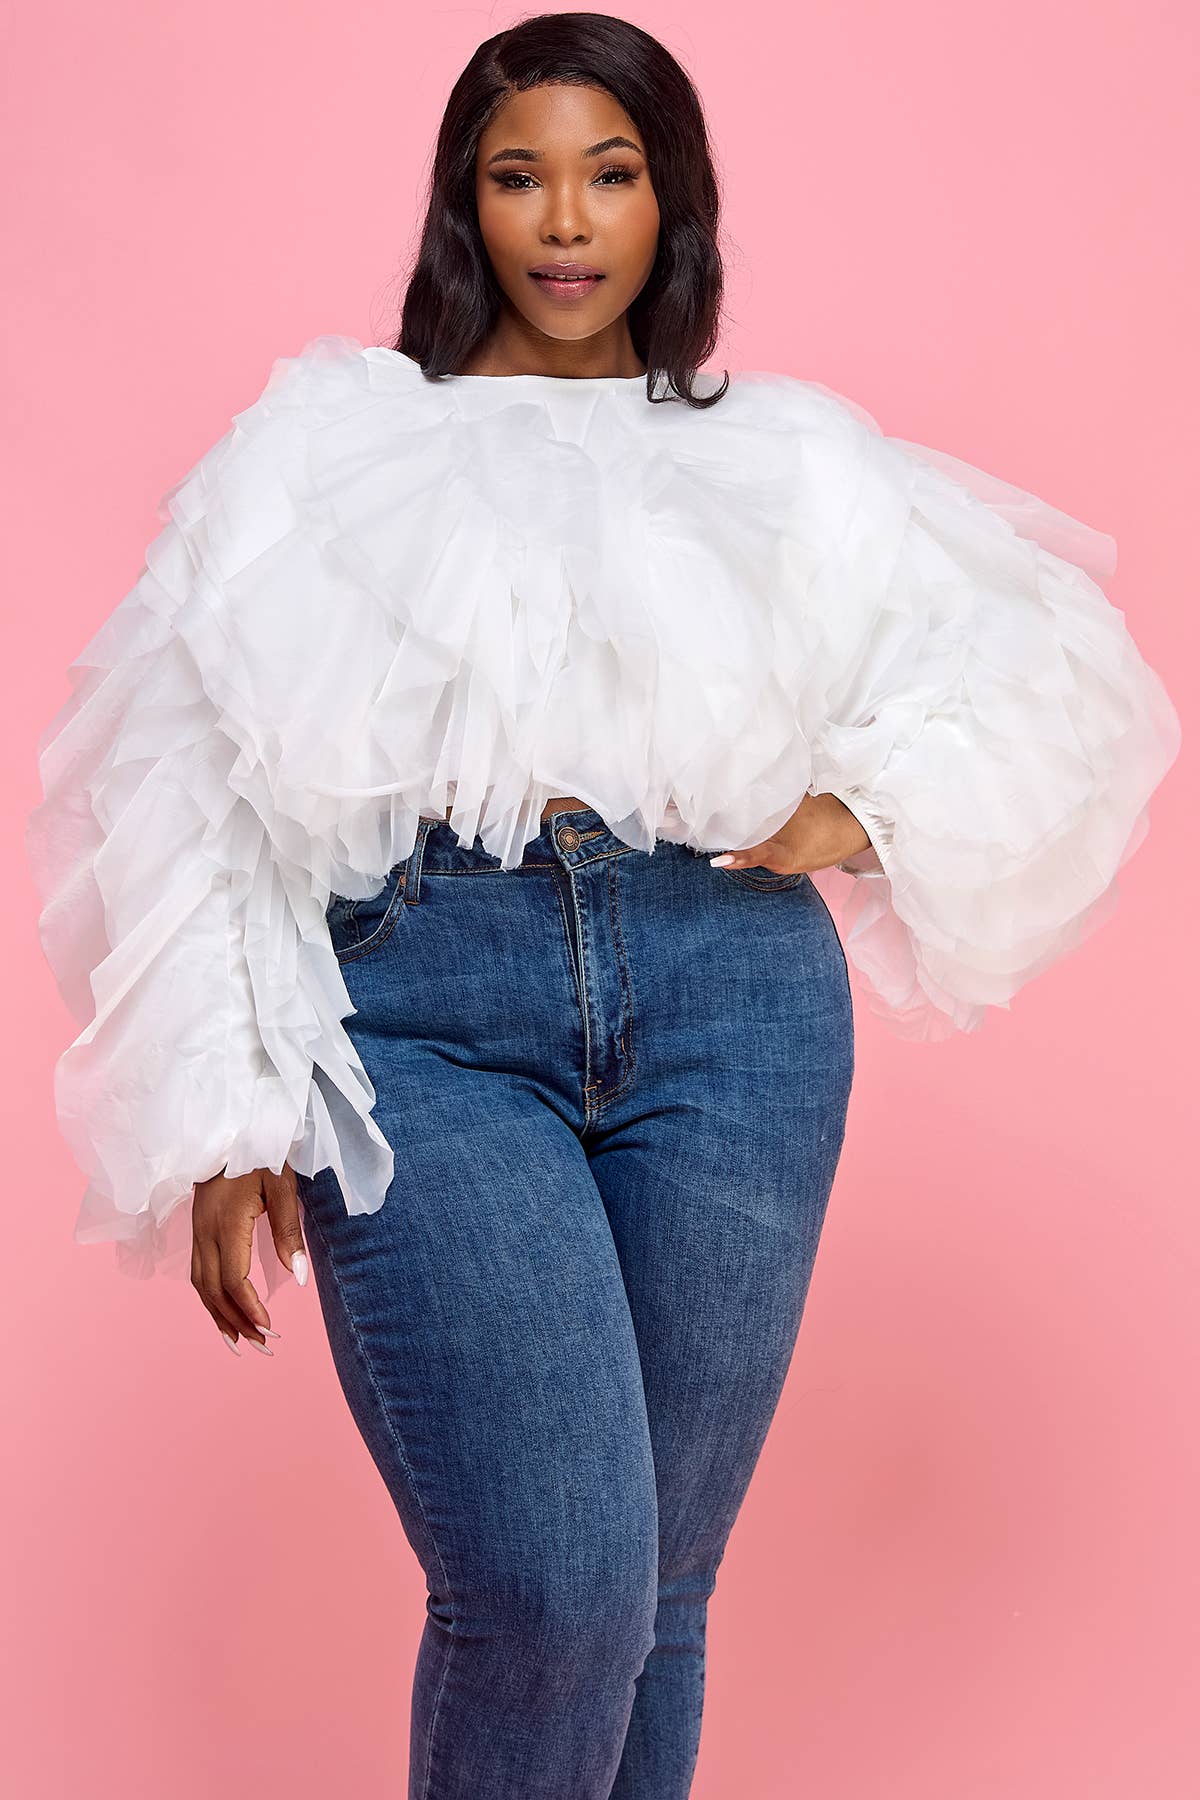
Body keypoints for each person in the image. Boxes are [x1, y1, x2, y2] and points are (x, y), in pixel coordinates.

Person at [26, 13, 1181, 1800]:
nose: (566, 220)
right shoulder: (334, 446)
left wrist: (865, 804)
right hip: (423, 1005)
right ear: (464, 207)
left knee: (660, 1588)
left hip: (734, 1001)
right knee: (552, 1587)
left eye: (612, 171)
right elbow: (192, 763)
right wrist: (225, 1099)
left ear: (671, 200)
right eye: (519, 175)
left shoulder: (780, 455)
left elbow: (1054, 670)